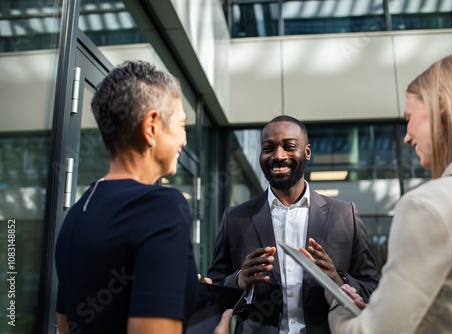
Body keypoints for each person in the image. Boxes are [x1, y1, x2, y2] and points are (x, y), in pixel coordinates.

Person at [328, 54, 452, 333]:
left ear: (441, 107)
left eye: (409, 118)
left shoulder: (428, 206)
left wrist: (338, 307)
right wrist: (385, 310)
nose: (406, 137)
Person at [55, 61, 198, 334]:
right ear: (151, 127)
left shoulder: (76, 214)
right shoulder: (162, 207)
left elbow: (65, 329)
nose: (184, 140)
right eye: (181, 125)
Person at [207, 115, 379, 333]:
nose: (278, 156)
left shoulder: (346, 215)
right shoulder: (234, 219)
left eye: (289, 147)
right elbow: (214, 293)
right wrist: (239, 280)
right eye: (268, 148)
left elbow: (373, 289)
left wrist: (338, 280)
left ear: (306, 152)